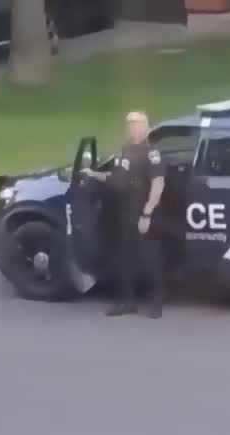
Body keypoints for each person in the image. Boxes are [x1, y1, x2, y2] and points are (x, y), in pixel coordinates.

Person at [83, 110, 166, 318]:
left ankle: (156, 303)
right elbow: (117, 177)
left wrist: (147, 213)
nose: (132, 128)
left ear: (146, 128)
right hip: (125, 211)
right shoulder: (125, 150)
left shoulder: (152, 153)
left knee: (149, 259)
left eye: (137, 124)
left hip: (143, 213)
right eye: (130, 124)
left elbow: (158, 184)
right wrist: (94, 174)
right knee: (124, 259)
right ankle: (127, 302)